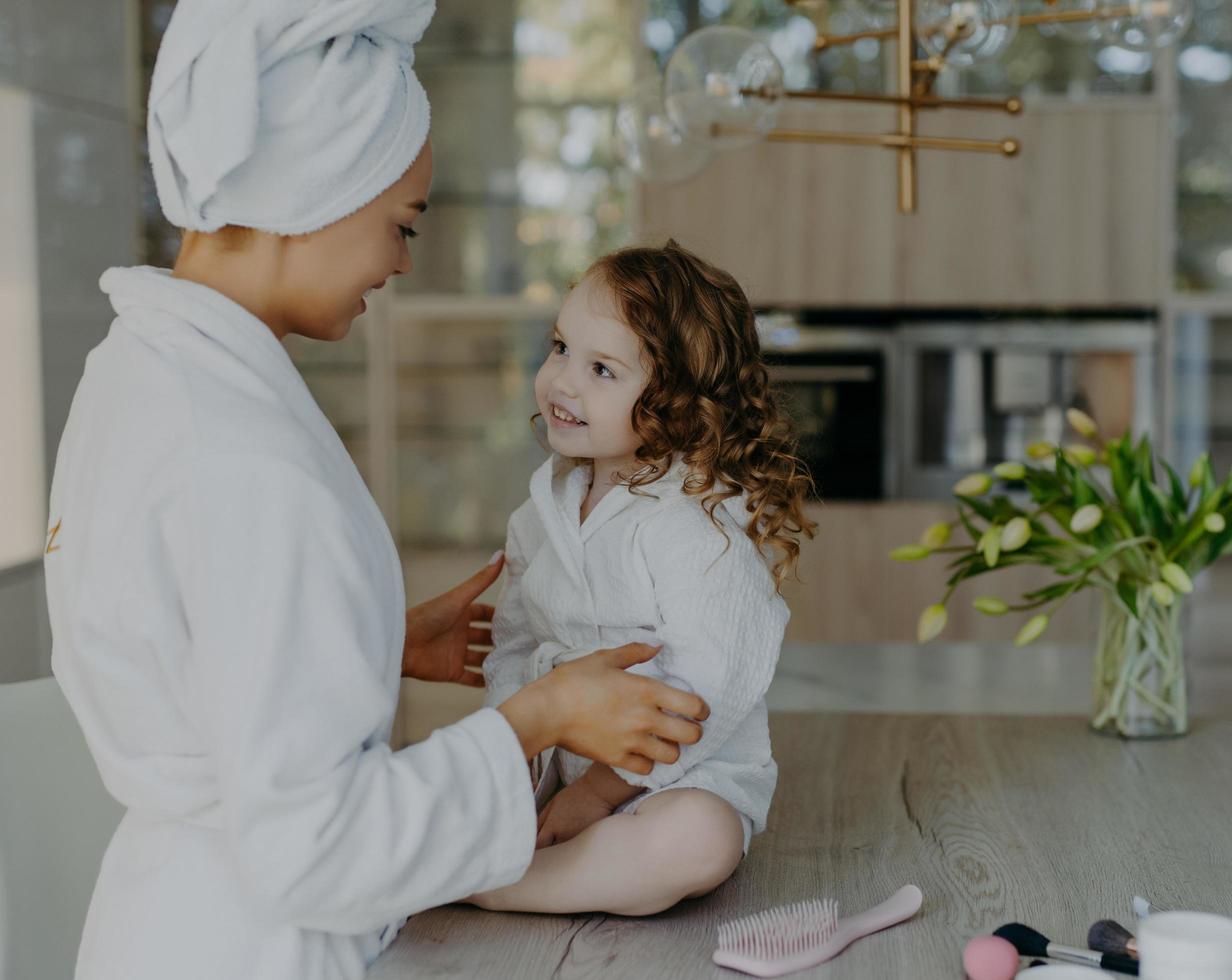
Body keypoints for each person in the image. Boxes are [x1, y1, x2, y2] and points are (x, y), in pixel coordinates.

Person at [43, 3, 706, 978]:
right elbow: (313, 843)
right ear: (314, 187)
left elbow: (182, 636)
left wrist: (370, 637)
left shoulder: (136, 372)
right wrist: (540, 716)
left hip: (165, 924)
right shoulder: (244, 452)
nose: (401, 261)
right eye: (399, 224)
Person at [467, 241, 817, 917]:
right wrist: (516, 759)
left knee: (699, 840)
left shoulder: (696, 525)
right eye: (561, 347)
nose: (562, 381)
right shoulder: (539, 517)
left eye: (602, 368)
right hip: (560, 770)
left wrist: (598, 792)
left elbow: (709, 685)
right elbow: (512, 647)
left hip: (680, 780)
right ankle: (520, 853)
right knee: (451, 776)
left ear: (678, 403)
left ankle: (508, 885)